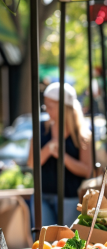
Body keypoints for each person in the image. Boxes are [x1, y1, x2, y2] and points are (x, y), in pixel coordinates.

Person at [28, 83, 92, 227]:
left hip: (70, 198)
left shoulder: (81, 135)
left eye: (51, 106)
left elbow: (87, 170)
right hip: (42, 195)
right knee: (43, 243)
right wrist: (49, 149)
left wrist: (62, 156)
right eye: (45, 106)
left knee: (65, 242)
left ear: (64, 107)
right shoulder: (41, 129)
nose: (47, 110)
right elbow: (31, 163)